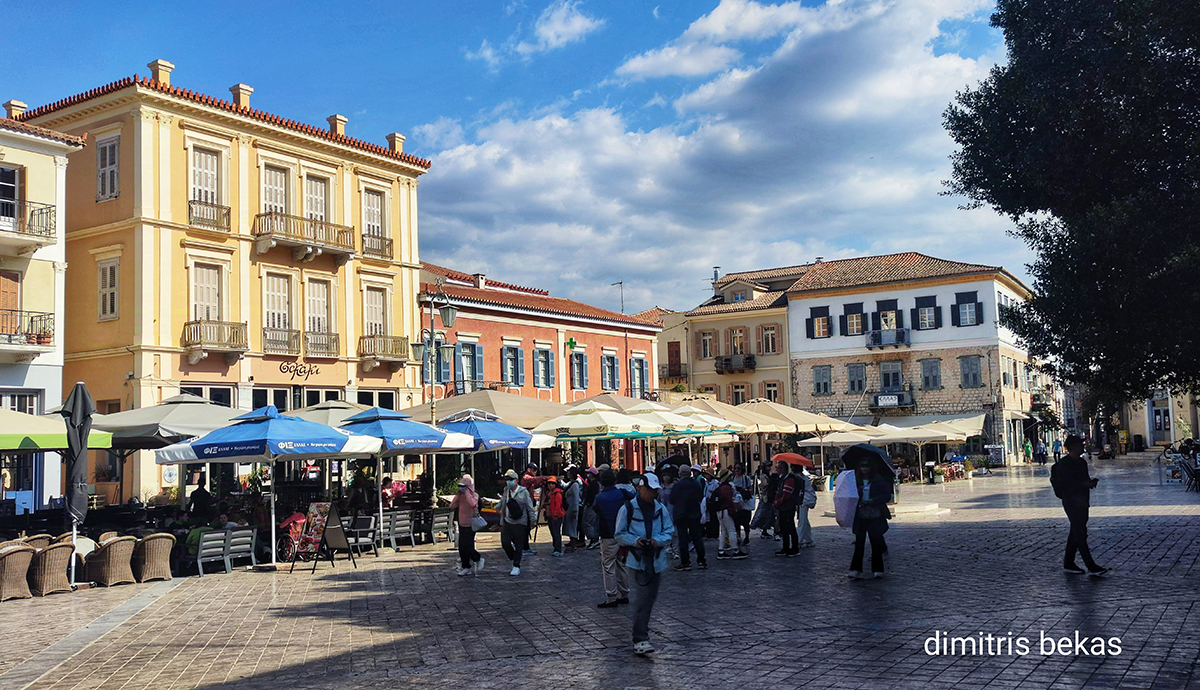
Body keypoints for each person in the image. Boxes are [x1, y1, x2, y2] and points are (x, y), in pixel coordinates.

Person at [615, 473, 675, 656]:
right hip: (637, 559)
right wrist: (636, 541)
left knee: (650, 598)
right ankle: (640, 638)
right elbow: (619, 533)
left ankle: (642, 635)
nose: (653, 493)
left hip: (656, 560)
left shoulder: (660, 508)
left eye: (655, 490)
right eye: (649, 489)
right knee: (642, 599)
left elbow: (669, 531)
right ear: (640, 488)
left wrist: (657, 541)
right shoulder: (628, 508)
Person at [1050, 435, 1107, 576]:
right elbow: (1068, 485)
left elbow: (1083, 480)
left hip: (1082, 501)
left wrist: (1090, 483)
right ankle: (1091, 565)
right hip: (1071, 502)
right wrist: (1084, 484)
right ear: (1073, 447)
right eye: (1080, 445)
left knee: (1075, 532)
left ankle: (1068, 563)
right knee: (1080, 533)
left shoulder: (1082, 462)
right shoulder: (1063, 465)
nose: (1083, 447)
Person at [593, 469, 633, 607]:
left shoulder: (599, 497)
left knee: (608, 565)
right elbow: (634, 498)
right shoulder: (622, 493)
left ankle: (611, 596)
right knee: (621, 563)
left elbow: (595, 509)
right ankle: (624, 593)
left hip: (607, 534)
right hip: (622, 532)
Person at [849, 459, 893, 579]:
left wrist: (874, 500)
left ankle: (878, 569)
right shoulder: (856, 481)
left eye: (867, 466)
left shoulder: (878, 481)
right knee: (859, 543)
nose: (864, 468)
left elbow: (886, 495)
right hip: (860, 515)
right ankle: (856, 569)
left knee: (876, 543)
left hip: (875, 515)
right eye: (862, 466)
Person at [669, 465, 707, 571]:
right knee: (697, 537)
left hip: (681, 514)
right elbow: (700, 496)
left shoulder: (677, 486)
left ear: (680, 473)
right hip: (694, 514)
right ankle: (701, 560)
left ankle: (685, 562)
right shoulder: (696, 484)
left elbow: (671, 500)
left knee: (683, 539)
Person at [499, 469, 536, 576]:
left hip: (520, 522)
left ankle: (516, 565)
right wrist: (498, 507)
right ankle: (514, 556)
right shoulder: (506, 490)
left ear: (516, 480)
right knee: (505, 543)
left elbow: (529, 507)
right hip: (507, 521)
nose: (508, 481)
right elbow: (503, 501)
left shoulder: (523, 492)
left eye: (510, 479)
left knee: (519, 544)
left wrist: (533, 520)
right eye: (506, 479)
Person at [448, 474, 485, 576]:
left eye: (463, 486)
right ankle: (466, 567)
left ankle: (478, 558)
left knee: (468, 546)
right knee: (462, 547)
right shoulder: (460, 497)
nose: (461, 488)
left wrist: (467, 493)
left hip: (470, 524)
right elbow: (452, 506)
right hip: (462, 523)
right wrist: (458, 495)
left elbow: (472, 504)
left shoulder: (474, 496)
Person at [713, 470, 746, 559]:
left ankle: (721, 551)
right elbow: (729, 501)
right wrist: (733, 510)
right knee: (731, 530)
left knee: (723, 531)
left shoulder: (720, 486)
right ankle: (736, 550)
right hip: (726, 511)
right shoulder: (726, 488)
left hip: (720, 511)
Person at [774, 460, 803, 556]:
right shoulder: (782, 478)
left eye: (778, 468)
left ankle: (795, 548)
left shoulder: (789, 479)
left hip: (788, 507)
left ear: (783, 469)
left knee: (790, 528)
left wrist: (778, 502)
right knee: (784, 528)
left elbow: (786, 494)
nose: (776, 470)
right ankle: (785, 547)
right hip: (783, 507)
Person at [730, 465, 755, 546]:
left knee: (746, 522)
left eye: (738, 468)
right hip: (736, 502)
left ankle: (747, 537)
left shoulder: (746, 478)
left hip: (744, 502)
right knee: (736, 521)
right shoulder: (733, 478)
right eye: (735, 468)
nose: (737, 470)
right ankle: (738, 537)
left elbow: (751, 489)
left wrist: (745, 490)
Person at [542, 476, 566, 557]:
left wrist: (556, 515)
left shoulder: (557, 494)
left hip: (556, 515)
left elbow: (558, 506)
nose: (550, 485)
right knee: (552, 532)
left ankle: (558, 549)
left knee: (556, 532)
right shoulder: (548, 493)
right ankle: (555, 548)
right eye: (549, 484)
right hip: (549, 515)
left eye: (552, 484)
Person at [562, 468, 583, 550]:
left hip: (573, 508)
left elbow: (576, 498)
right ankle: (572, 542)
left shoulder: (575, 485)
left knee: (573, 527)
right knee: (570, 526)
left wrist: (575, 509)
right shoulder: (571, 483)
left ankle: (573, 544)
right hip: (570, 507)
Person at [797, 467, 815, 549]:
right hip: (803, 500)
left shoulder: (800, 478)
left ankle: (799, 541)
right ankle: (809, 539)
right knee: (804, 520)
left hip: (804, 500)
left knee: (802, 520)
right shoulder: (802, 477)